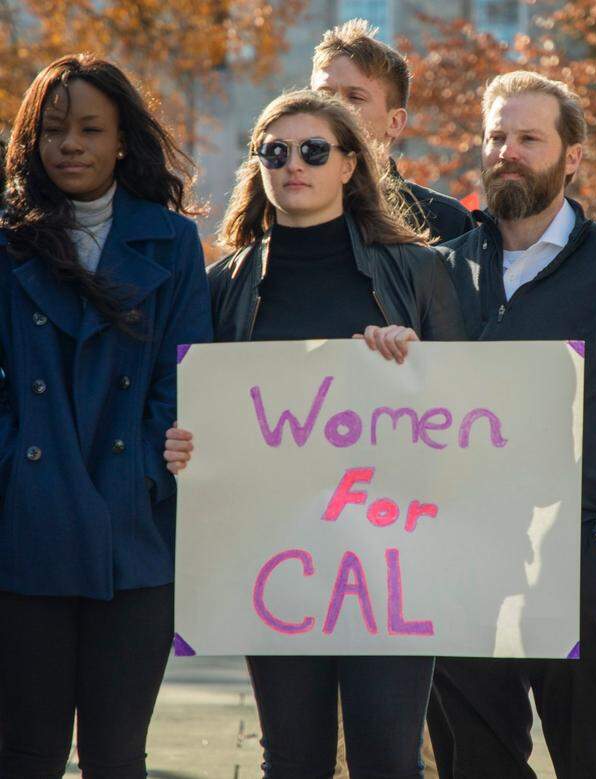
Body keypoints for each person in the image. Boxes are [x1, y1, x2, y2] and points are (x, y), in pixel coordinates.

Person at [163, 89, 465, 778]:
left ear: (351, 165)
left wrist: (415, 360)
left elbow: (466, 417)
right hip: (275, 562)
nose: (292, 164)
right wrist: (186, 446)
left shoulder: (418, 272)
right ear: (257, 166)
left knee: (387, 757)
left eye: (313, 150)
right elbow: (204, 414)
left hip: (392, 559)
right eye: (274, 151)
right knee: (292, 759)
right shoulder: (224, 285)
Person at [424, 70, 596, 779]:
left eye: (529, 137)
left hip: (575, 560)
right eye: (496, 136)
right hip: (461, 564)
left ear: (572, 156)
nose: (507, 151)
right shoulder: (439, 271)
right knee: (477, 764)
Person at [0, 54, 211, 777]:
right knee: (26, 752)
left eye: (91, 129)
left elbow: (185, 373)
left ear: (123, 139)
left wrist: (147, 473)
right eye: (53, 130)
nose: (71, 145)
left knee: (117, 756)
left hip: (133, 532)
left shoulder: (172, 240)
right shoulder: (5, 238)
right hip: (26, 529)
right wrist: (16, 465)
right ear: (32, 140)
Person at [312, 18, 474, 243]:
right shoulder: (280, 209)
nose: (335, 106)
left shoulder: (445, 222)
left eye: (355, 97)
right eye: (324, 95)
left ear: (395, 122)